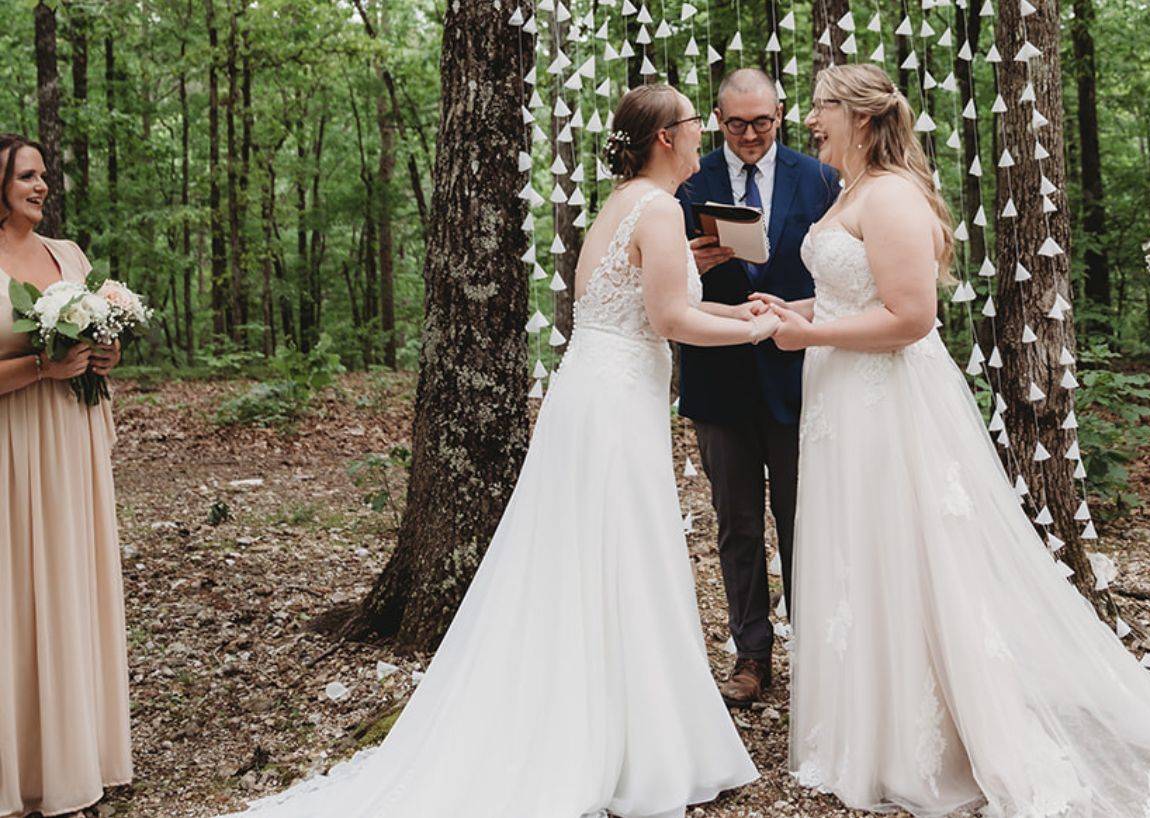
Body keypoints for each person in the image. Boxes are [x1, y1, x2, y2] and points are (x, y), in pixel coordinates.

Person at [760, 63, 1150, 817]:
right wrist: (797, 308)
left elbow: (911, 319)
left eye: (822, 108)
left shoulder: (890, 194)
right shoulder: (854, 192)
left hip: (883, 403)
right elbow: (854, 291)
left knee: (905, 551)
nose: (809, 121)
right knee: (863, 551)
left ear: (861, 118)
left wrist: (812, 335)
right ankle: (871, 727)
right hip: (845, 400)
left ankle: (926, 738)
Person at [219, 84, 773, 818]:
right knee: (623, 551)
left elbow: (637, 300)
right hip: (615, 404)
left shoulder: (620, 205)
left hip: (593, 392)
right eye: (696, 127)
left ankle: (621, 724)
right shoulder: (662, 208)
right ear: (665, 138)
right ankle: (634, 742)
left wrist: (721, 294)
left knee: (593, 554)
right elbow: (669, 317)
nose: (703, 139)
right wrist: (757, 329)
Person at [674, 67, 839, 707]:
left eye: (761, 121)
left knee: (806, 521)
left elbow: (843, 274)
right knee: (736, 525)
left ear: (781, 115)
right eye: (736, 123)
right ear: (717, 119)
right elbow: (654, 280)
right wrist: (687, 262)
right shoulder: (689, 180)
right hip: (717, 377)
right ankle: (751, 657)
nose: (749, 134)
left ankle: (816, 652)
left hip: (799, 376)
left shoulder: (820, 178)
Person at [0, 134, 130, 818]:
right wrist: (42, 369)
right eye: (27, 175)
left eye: (44, 175)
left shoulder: (69, 256)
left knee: (70, 584)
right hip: (12, 449)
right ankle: (19, 771)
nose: (42, 185)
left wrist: (104, 355)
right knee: (17, 595)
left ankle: (81, 753)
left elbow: (92, 343)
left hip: (72, 446)